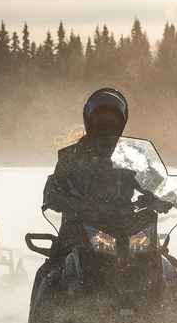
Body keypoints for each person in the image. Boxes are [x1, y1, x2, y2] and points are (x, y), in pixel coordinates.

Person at [41, 88, 169, 251]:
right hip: (79, 234)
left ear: (121, 123)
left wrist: (161, 198)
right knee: (55, 265)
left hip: (127, 231)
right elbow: (52, 191)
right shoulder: (72, 156)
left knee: (167, 263)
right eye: (101, 120)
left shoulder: (131, 156)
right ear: (90, 121)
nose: (106, 126)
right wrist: (70, 203)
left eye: (112, 121)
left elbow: (158, 184)